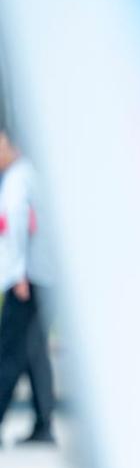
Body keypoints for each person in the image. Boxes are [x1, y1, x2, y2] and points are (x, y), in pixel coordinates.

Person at [0, 127, 55, 445]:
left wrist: (18, 272)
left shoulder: (18, 179)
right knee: (34, 353)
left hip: (26, 278)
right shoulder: (30, 175)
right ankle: (44, 422)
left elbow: (18, 221)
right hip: (41, 276)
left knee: (8, 352)